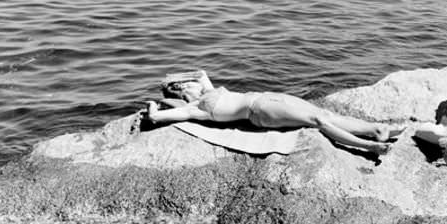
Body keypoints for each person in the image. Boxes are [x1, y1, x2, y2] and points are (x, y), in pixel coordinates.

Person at [145, 70, 401, 155]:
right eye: (185, 85)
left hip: (270, 98)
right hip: (259, 111)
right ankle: (369, 146)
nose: (194, 83)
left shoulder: (208, 92)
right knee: (318, 120)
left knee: (325, 114)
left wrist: (174, 78)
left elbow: (200, 72)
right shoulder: (194, 109)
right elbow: (156, 118)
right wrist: (156, 105)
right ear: (180, 92)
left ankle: (376, 130)